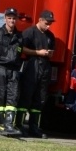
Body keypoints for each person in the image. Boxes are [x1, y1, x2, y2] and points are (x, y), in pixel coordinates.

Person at [18, 10, 56, 139]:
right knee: (26, 96)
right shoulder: (30, 32)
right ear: (40, 20)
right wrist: (37, 52)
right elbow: (21, 48)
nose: (48, 26)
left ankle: (34, 127)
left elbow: (52, 51)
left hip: (45, 67)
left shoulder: (50, 35)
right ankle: (19, 125)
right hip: (31, 66)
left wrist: (49, 54)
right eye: (47, 23)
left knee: (40, 98)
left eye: (50, 23)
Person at [0, 7, 23, 137]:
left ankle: (9, 124)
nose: (11, 20)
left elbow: (20, 53)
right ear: (5, 18)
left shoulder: (20, 36)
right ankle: (1, 125)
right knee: (0, 95)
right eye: (9, 18)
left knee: (13, 95)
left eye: (14, 18)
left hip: (14, 69)